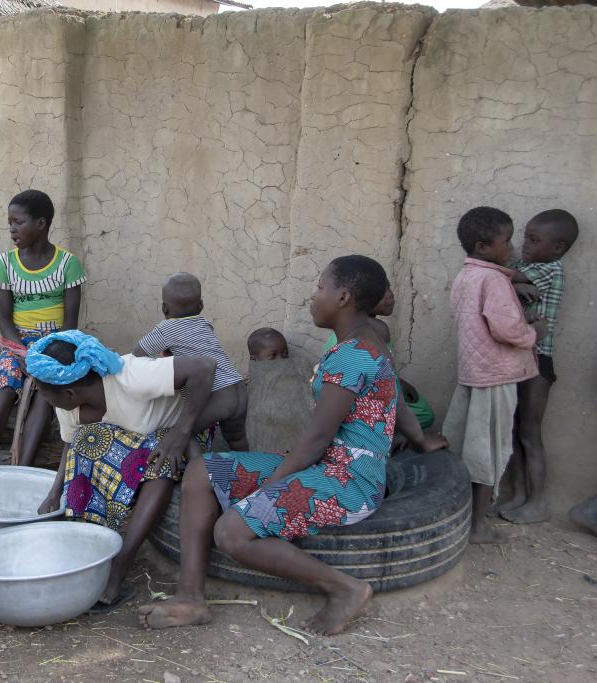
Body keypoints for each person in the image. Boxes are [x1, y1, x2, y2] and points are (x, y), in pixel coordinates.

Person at [138, 255, 444, 636]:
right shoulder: (366, 340)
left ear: (344, 297)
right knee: (202, 470)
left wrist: (272, 485)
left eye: (319, 288)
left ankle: (344, 588)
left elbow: (315, 440)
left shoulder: (352, 356)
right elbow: (393, 399)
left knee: (231, 533)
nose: (312, 296)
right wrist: (420, 440)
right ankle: (190, 597)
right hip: (328, 466)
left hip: (349, 482)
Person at [28, 330, 216, 613]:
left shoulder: (131, 375)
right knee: (84, 442)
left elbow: (205, 368)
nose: (43, 399)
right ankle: (94, 548)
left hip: (176, 438)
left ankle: (119, 567)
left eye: (43, 394)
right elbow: (69, 447)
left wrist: (182, 431)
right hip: (131, 443)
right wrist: (54, 493)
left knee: (158, 456)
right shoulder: (67, 405)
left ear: (68, 393)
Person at [441, 206, 545, 544]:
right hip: (496, 377)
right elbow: (506, 329)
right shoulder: (493, 281)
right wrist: (533, 332)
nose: (512, 248)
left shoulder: (467, 275)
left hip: (473, 373)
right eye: (507, 240)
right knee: (488, 453)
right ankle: (478, 527)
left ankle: (458, 517)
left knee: (465, 448)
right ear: (485, 247)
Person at [0, 190, 85, 466]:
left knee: (45, 394)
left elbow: (70, 325)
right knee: (4, 388)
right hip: (18, 342)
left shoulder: (67, 264)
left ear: (41, 223)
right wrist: (22, 352)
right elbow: (5, 320)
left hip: (56, 342)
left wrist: (44, 354)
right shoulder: (6, 264)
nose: (12, 229)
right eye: (9, 222)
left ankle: (21, 468)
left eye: (19, 222)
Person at [498, 210, 578, 524]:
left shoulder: (551, 269)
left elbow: (503, 284)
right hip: (517, 361)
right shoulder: (524, 266)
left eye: (534, 239)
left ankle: (538, 502)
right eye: (525, 237)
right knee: (514, 431)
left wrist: (508, 281)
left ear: (557, 248)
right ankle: (517, 495)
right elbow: (505, 279)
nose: (525, 245)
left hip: (537, 362)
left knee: (530, 434)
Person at [133, 272, 247, 450]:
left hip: (217, 397)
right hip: (239, 388)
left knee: (181, 434)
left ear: (164, 308)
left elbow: (136, 356)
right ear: (201, 305)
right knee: (237, 438)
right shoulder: (204, 324)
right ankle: (246, 471)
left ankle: (194, 472)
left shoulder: (166, 329)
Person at [322, 287, 435, 431]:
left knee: (418, 408)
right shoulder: (377, 329)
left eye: (388, 287)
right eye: (382, 290)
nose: (389, 295)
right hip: (353, 403)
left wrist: (398, 381)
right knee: (423, 414)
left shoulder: (351, 326)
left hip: (347, 401)